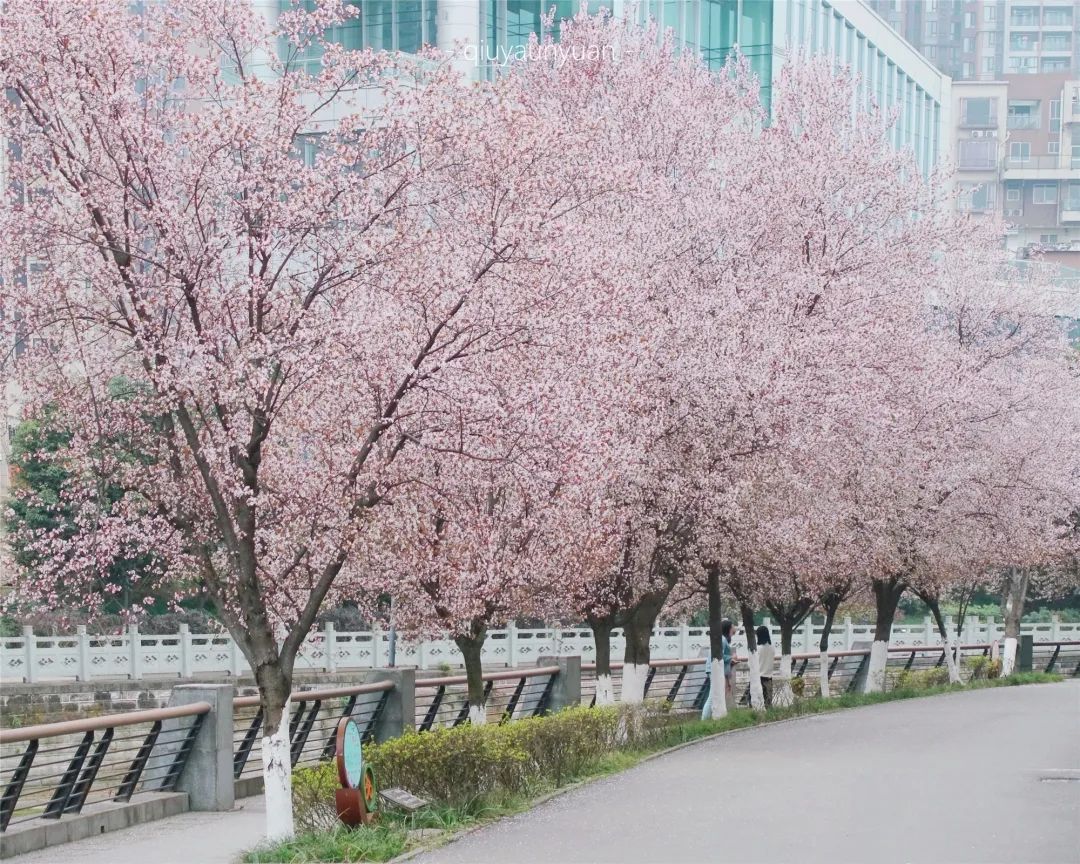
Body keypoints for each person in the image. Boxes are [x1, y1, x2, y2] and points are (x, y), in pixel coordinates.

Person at [756, 625, 775, 708]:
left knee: (758, 703)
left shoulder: (758, 649)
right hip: (769, 678)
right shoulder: (772, 648)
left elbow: (751, 664)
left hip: (759, 678)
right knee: (768, 702)